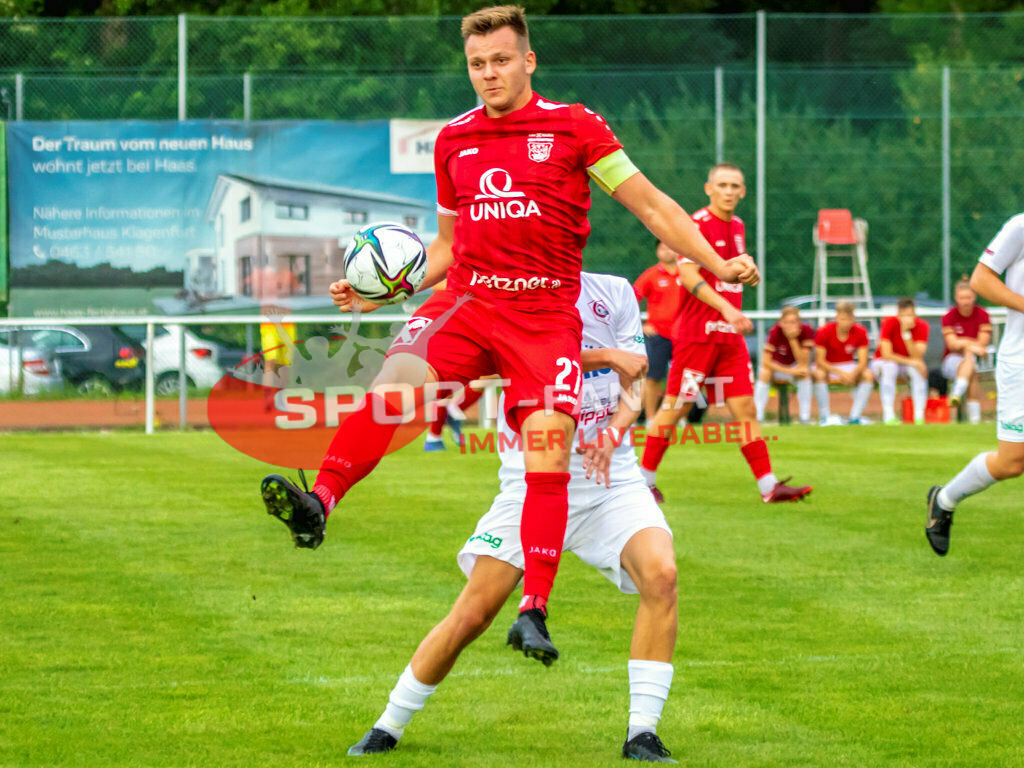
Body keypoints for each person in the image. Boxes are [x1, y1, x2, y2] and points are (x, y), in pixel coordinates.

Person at [259, 5, 758, 665]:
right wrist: (392, 288)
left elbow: (654, 206)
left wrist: (719, 265)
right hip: (468, 301)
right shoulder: (453, 141)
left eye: (500, 60)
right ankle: (320, 501)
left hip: (546, 313)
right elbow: (443, 245)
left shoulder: (574, 127)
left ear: (528, 60)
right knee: (393, 387)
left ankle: (533, 610)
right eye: (476, 64)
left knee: (549, 446)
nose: (488, 74)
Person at [347, 272, 678, 762]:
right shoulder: (506, 296)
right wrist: (604, 356)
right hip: (531, 483)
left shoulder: (615, 291)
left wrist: (612, 434)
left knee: (662, 576)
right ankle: (388, 725)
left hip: (612, 480)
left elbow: (636, 374)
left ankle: (642, 735)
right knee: (473, 614)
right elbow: (515, 362)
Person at [638, 163, 810, 504]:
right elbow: (687, 275)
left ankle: (768, 486)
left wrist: (748, 270)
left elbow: (730, 271)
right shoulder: (696, 223)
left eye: (735, 186)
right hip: (697, 336)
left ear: (743, 191)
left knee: (745, 408)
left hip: (728, 338)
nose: (729, 191)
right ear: (709, 188)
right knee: (676, 408)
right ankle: (643, 481)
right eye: (723, 185)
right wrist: (727, 308)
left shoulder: (739, 226)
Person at [926, 213, 1024, 556]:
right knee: (1012, 462)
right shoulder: (1020, 226)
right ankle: (945, 499)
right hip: (1021, 362)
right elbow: (982, 280)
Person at [633, 240, 682, 423]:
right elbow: (631, 300)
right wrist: (641, 325)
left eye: (671, 246)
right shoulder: (651, 275)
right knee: (653, 378)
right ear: (657, 252)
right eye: (663, 247)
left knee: (683, 380)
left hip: (684, 336)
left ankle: (677, 417)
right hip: (659, 335)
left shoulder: (688, 274)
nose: (668, 250)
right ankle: (651, 418)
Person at [811, 301, 875, 425]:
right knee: (819, 374)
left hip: (848, 365)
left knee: (868, 375)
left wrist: (852, 374)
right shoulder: (824, 331)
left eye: (849, 319)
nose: (846, 323)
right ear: (837, 318)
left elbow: (863, 361)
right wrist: (840, 373)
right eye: (842, 319)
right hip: (828, 367)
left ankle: (855, 417)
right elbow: (820, 361)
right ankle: (825, 417)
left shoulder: (860, 331)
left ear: (853, 319)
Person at [870, 298, 929, 424]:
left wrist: (906, 334)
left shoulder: (922, 326)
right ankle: (888, 414)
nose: (906, 319)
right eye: (903, 315)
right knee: (890, 367)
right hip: (883, 363)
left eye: (909, 315)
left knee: (918, 371)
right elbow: (886, 355)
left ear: (914, 314)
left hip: (906, 364)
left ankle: (919, 416)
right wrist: (912, 362)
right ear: (898, 314)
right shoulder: (889, 323)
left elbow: (918, 355)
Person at [941, 278, 992, 424]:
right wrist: (971, 346)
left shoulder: (982, 314)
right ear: (956, 298)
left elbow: (983, 343)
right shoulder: (949, 316)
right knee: (971, 365)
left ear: (974, 297)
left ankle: (957, 392)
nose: (965, 301)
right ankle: (974, 418)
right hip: (952, 361)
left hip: (978, 361)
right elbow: (952, 345)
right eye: (962, 298)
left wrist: (963, 343)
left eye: (968, 297)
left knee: (970, 365)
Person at [753, 306, 815, 425]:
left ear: (799, 322)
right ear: (781, 323)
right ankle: (758, 417)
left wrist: (792, 340)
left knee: (805, 374)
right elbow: (766, 362)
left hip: (795, 367)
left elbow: (803, 362)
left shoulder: (806, 331)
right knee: (764, 373)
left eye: (793, 322)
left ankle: (804, 418)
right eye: (786, 322)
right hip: (778, 368)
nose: (790, 326)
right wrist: (790, 372)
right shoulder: (775, 331)